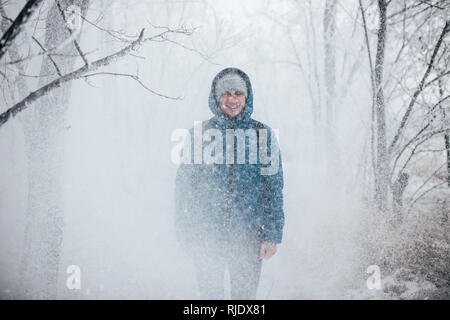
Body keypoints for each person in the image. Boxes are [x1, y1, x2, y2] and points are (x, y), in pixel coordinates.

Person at [174, 67, 284, 299]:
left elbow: (273, 189)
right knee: (210, 297)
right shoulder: (199, 134)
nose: (232, 99)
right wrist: (187, 235)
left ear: (247, 97)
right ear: (216, 97)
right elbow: (185, 189)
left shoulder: (261, 135)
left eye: (238, 94)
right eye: (226, 94)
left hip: (248, 236)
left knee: (243, 299)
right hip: (207, 236)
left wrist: (272, 235)